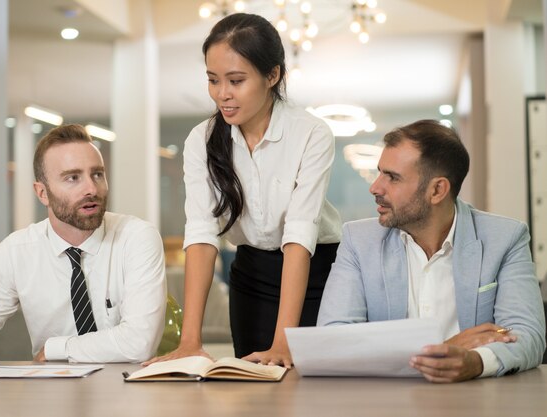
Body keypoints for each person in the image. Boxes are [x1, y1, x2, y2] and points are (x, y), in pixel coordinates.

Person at [147, 13, 341, 368]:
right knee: (253, 388)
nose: (223, 94)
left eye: (236, 80)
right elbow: (202, 235)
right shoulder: (201, 141)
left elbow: (300, 234)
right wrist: (191, 340)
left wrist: (285, 339)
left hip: (316, 273)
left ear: (272, 75)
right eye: (213, 80)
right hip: (251, 274)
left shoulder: (311, 134)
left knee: (310, 390)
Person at [317, 119, 546, 382]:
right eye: (380, 172)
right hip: (385, 400)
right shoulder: (358, 240)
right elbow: (333, 339)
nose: (375, 187)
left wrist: (475, 362)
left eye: (392, 177)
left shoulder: (505, 238)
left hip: (476, 399)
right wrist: (451, 344)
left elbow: (528, 336)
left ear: (437, 190)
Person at [0, 124, 167, 367]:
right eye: (73, 178)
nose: (91, 188)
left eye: (97, 174)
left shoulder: (137, 238)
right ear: (42, 193)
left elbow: (140, 342)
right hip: (51, 395)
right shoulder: (16, 251)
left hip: (128, 393)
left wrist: (56, 348)